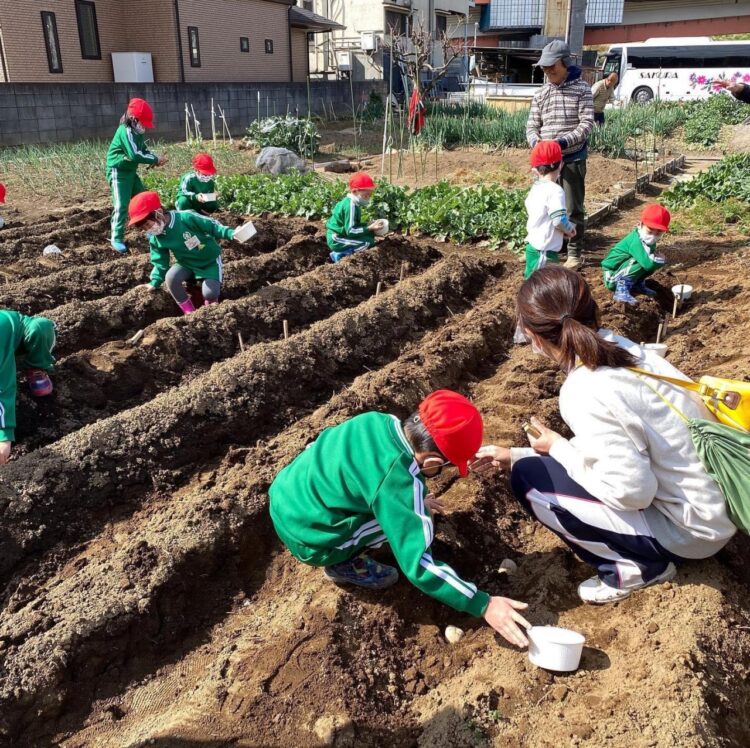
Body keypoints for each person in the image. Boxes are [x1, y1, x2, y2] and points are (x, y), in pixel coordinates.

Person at [472, 267, 736, 604]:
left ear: (533, 337)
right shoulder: (625, 349)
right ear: (594, 311)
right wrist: (517, 453)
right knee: (526, 464)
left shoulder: (585, 388)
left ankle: (636, 567)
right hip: (715, 504)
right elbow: (617, 445)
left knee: (530, 479)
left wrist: (558, 448)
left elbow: (632, 492)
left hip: (694, 530)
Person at [269, 390, 531, 648]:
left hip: (287, 494)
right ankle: (341, 564)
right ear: (431, 460)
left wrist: (413, 499)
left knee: (400, 506)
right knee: (405, 524)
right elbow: (418, 565)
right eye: (446, 466)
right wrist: (483, 604)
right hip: (310, 538)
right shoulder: (395, 482)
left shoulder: (376, 421)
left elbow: (371, 472)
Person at [526, 41, 594, 270]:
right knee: (543, 205)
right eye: (544, 67)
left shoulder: (582, 89)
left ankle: (574, 252)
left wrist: (561, 143)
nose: (547, 71)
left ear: (565, 62)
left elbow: (585, 125)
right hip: (545, 162)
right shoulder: (542, 93)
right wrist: (540, 147)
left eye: (551, 66)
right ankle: (540, 247)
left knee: (573, 206)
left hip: (572, 156)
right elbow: (532, 126)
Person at [128, 191, 244, 315]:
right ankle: (189, 312)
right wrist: (154, 281)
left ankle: (211, 311)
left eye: (147, 224)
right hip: (186, 263)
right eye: (144, 228)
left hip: (209, 261)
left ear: (158, 213)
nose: (148, 229)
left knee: (210, 294)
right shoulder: (156, 238)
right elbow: (160, 261)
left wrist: (231, 233)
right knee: (171, 278)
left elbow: (212, 226)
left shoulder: (185, 217)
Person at [106, 98, 167, 254]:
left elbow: (143, 150)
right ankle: (116, 238)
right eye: (143, 122)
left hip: (130, 171)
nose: (144, 126)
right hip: (118, 171)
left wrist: (155, 158)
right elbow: (134, 154)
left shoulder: (136, 132)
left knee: (141, 198)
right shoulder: (125, 131)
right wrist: (155, 159)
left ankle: (148, 228)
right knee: (121, 205)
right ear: (133, 118)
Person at [0, 310, 56, 465]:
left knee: (40, 327)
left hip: (22, 338)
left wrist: (4, 437)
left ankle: (36, 366)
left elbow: (4, 386)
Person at [524, 140, 576, 279]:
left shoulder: (536, 188)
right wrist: (569, 229)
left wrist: (560, 231)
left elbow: (545, 218)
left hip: (534, 246)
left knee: (535, 285)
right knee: (541, 288)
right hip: (544, 250)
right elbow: (559, 219)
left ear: (535, 168)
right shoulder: (555, 190)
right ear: (561, 164)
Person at [601, 204, 671, 305]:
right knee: (641, 261)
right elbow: (648, 264)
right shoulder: (636, 241)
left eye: (658, 234)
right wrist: (661, 260)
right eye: (650, 231)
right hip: (612, 276)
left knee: (648, 260)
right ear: (640, 225)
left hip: (621, 270)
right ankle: (621, 289)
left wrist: (656, 261)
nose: (653, 237)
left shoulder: (648, 241)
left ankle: (637, 284)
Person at [326, 172, 385, 264]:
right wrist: (370, 228)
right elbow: (351, 231)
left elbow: (354, 225)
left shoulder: (353, 203)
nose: (367, 199)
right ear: (354, 191)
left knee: (370, 236)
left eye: (369, 196)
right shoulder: (351, 207)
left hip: (342, 234)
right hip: (336, 239)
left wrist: (367, 224)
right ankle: (342, 255)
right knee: (368, 243)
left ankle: (344, 253)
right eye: (365, 196)